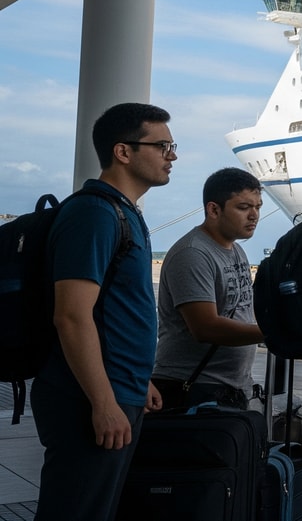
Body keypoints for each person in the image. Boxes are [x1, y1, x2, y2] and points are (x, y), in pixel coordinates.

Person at [33, 103, 172, 521]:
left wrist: (138, 376)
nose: (172, 155)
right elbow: (71, 316)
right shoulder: (95, 213)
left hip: (117, 389)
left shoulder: (124, 212)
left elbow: (117, 309)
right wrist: (104, 401)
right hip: (86, 395)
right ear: (123, 152)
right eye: (162, 145)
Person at [151, 167, 266, 411]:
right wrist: (272, 333)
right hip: (192, 387)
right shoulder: (193, 254)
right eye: (244, 207)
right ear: (213, 209)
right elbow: (205, 327)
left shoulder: (237, 250)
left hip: (231, 387)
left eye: (258, 207)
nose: (254, 215)